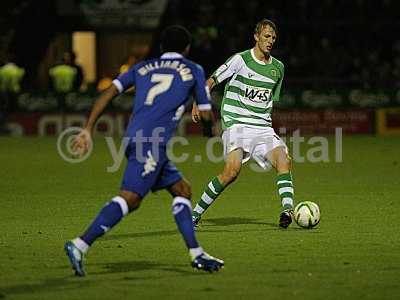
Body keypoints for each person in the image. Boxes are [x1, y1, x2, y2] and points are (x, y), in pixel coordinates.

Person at [64, 25, 224, 277]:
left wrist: (87, 128)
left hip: (135, 138)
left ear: (161, 48)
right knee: (131, 197)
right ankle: (80, 244)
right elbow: (205, 113)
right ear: (187, 48)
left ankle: (197, 253)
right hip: (150, 142)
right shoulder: (193, 69)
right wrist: (208, 130)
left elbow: (108, 93)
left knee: (182, 189)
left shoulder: (141, 67)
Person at [191, 19, 295, 228]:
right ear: (256, 36)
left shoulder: (278, 68)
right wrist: (198, 101)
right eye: (266, 36)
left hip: (262, 127)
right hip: (237, 124)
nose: (270, 41)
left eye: (273, 38)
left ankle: (288, 211)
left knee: (284, 160)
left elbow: (269, 102)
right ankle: (194, 215)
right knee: (231, 171)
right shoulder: (240, 60)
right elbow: (211, 81)